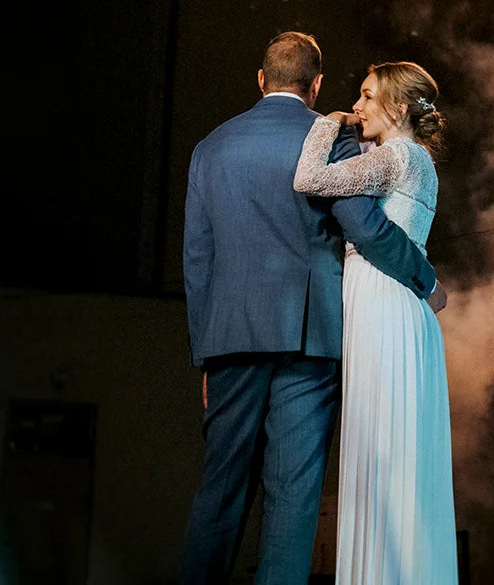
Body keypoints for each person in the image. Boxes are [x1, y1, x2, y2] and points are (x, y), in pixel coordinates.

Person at [180, 32, 444, 585]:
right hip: (310, 338)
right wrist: (425, 278)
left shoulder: (210, 148)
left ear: (261, 78)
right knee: (294, 497)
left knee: (220, 487)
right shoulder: (333, 141)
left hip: (230, 342)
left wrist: (205, 354)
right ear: (317, 84)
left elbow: (197, 260)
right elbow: (366, 228)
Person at [293, 61, 458, 585]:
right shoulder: (417, 159)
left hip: (382, 300)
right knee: (398, 455)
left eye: (367, 97)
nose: (357, 106)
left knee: (381, 452)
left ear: (400, 108)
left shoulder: (395, 156)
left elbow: (308, 178)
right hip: (401, 303)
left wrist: (327, 123)